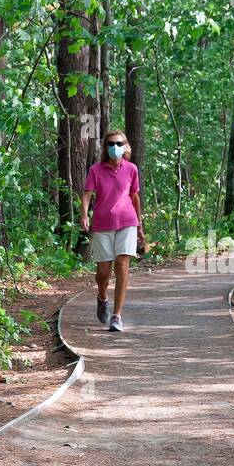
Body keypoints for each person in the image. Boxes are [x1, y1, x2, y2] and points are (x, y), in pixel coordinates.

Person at [80, 130, 144, 332]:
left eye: (118, 143)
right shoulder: (96, 170)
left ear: (125, 146)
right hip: (102, 224)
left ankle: (117, 316)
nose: (114, 147)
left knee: (122, 266)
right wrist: (84, 215)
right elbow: (87, 194)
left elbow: (134, 197)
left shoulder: (131, 169)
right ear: (105, 147)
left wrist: (140, 224)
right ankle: (102, 296)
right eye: (110, 143)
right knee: (104, 272)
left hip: (127, 222)